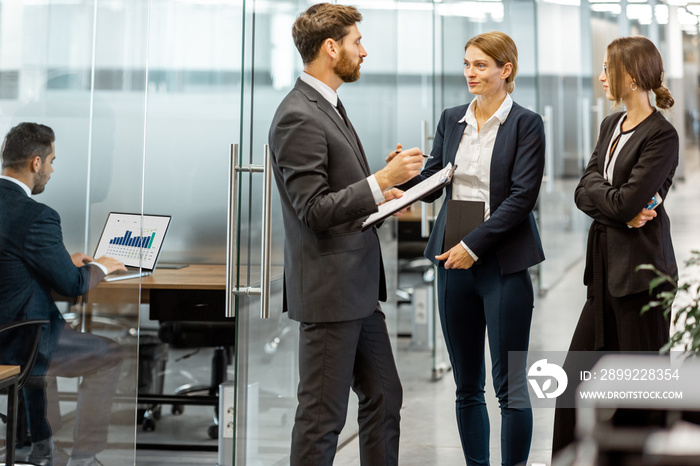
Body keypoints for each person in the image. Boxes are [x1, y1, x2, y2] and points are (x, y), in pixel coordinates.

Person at [268, 3, 426, 465]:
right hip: (330, 292)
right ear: (331, 47)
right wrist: (379, 181)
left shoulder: (328, 105)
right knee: (322, 419)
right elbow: (313, 210)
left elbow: (340, 195)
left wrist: (385, 192)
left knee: (384, 397)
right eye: (357, 42)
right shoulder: (298, 115)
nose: (364, 51)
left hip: (356, 290)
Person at [392, 31, 545, 465]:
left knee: (510, 385)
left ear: (505, 70)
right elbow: (435, 180)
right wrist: (397, 179)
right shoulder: (452, 118)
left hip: (503, 260)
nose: (470, 73)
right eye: (466, 64)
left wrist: (473, 246)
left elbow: (522, 197)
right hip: (451, 260)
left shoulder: (526, 124)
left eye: (480, 65)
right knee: (466, 385)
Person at [551, 36, 678, 455]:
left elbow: (618, 197)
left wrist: (614, 201)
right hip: (604, 273)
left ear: (632, 74)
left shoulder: (662, 135)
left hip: (642, 277)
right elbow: (585, 189)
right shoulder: (610, 126)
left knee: (641, 392)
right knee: (573, 382)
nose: (601, 77)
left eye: (608, 68)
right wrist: (618, 206)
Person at [0, 122, 127, 466]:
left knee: (46, 350)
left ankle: (44, 447)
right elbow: (72, 286)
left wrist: (63, 262)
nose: (53, 171)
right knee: (109, 355)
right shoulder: (37, 216)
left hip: (9, 332)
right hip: (20, 342)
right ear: (36, 164)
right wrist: (101, 266)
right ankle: (84, 457)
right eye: (52, 161)